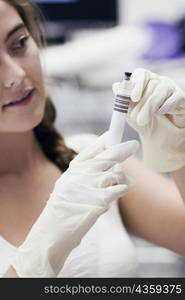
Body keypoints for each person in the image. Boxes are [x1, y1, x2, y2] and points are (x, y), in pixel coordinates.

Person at [0, 0, 185, 278]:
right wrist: (40, 252)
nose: (16, 75)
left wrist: (179, 152)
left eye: (19, 43)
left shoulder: (92, 158)